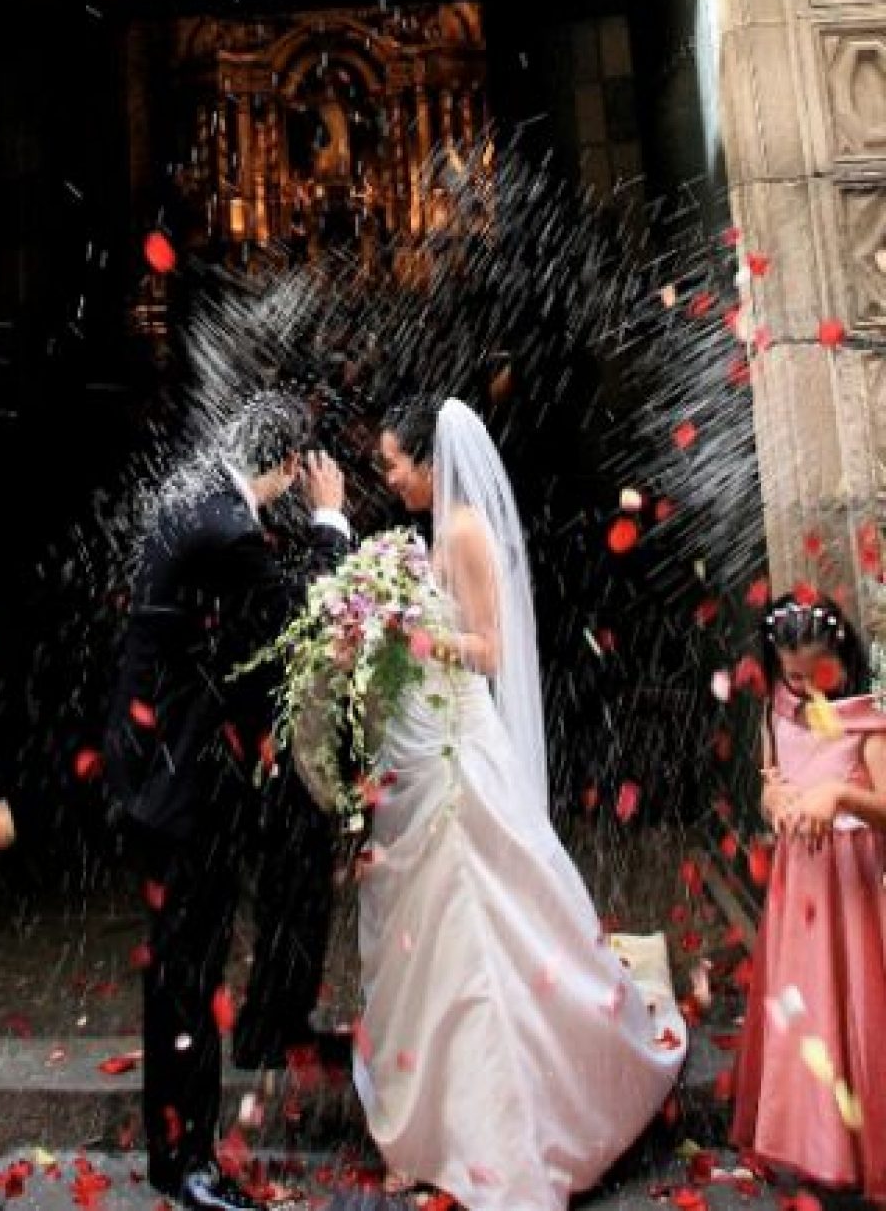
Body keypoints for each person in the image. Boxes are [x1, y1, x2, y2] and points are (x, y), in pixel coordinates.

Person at [351, 397, 685, 1211]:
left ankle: (494, 1126)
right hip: (425, 746)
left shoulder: (464, 531)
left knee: (475, 924)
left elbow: (490, 649)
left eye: (393, 463)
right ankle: (434, 1120)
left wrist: (413, 634)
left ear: (429, 460)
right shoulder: (428, 534)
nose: (388, 478)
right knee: (433, 934)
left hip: (461, 750)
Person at [105, 392, 351, 1211]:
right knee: (187, 970)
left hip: (161, 762)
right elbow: (298, 614)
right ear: (288, 466)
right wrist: (331, 522)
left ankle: (178, 1150)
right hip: (182, 784)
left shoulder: (197, 492)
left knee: (183, 965)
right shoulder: (230, 529)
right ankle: (186, 1163)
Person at [731, 593, 886, 1204]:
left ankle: (861, 1146)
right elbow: (770, 778)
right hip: (798, 887)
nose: (805, 689)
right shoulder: (780, 710)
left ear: (842, 657)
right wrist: (773, 796)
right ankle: (811, 1141)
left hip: (849, 890)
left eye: (816, 674)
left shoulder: (865, 722)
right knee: (805, 1008)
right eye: (793, 677)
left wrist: (839, 797)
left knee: (851, 1006)